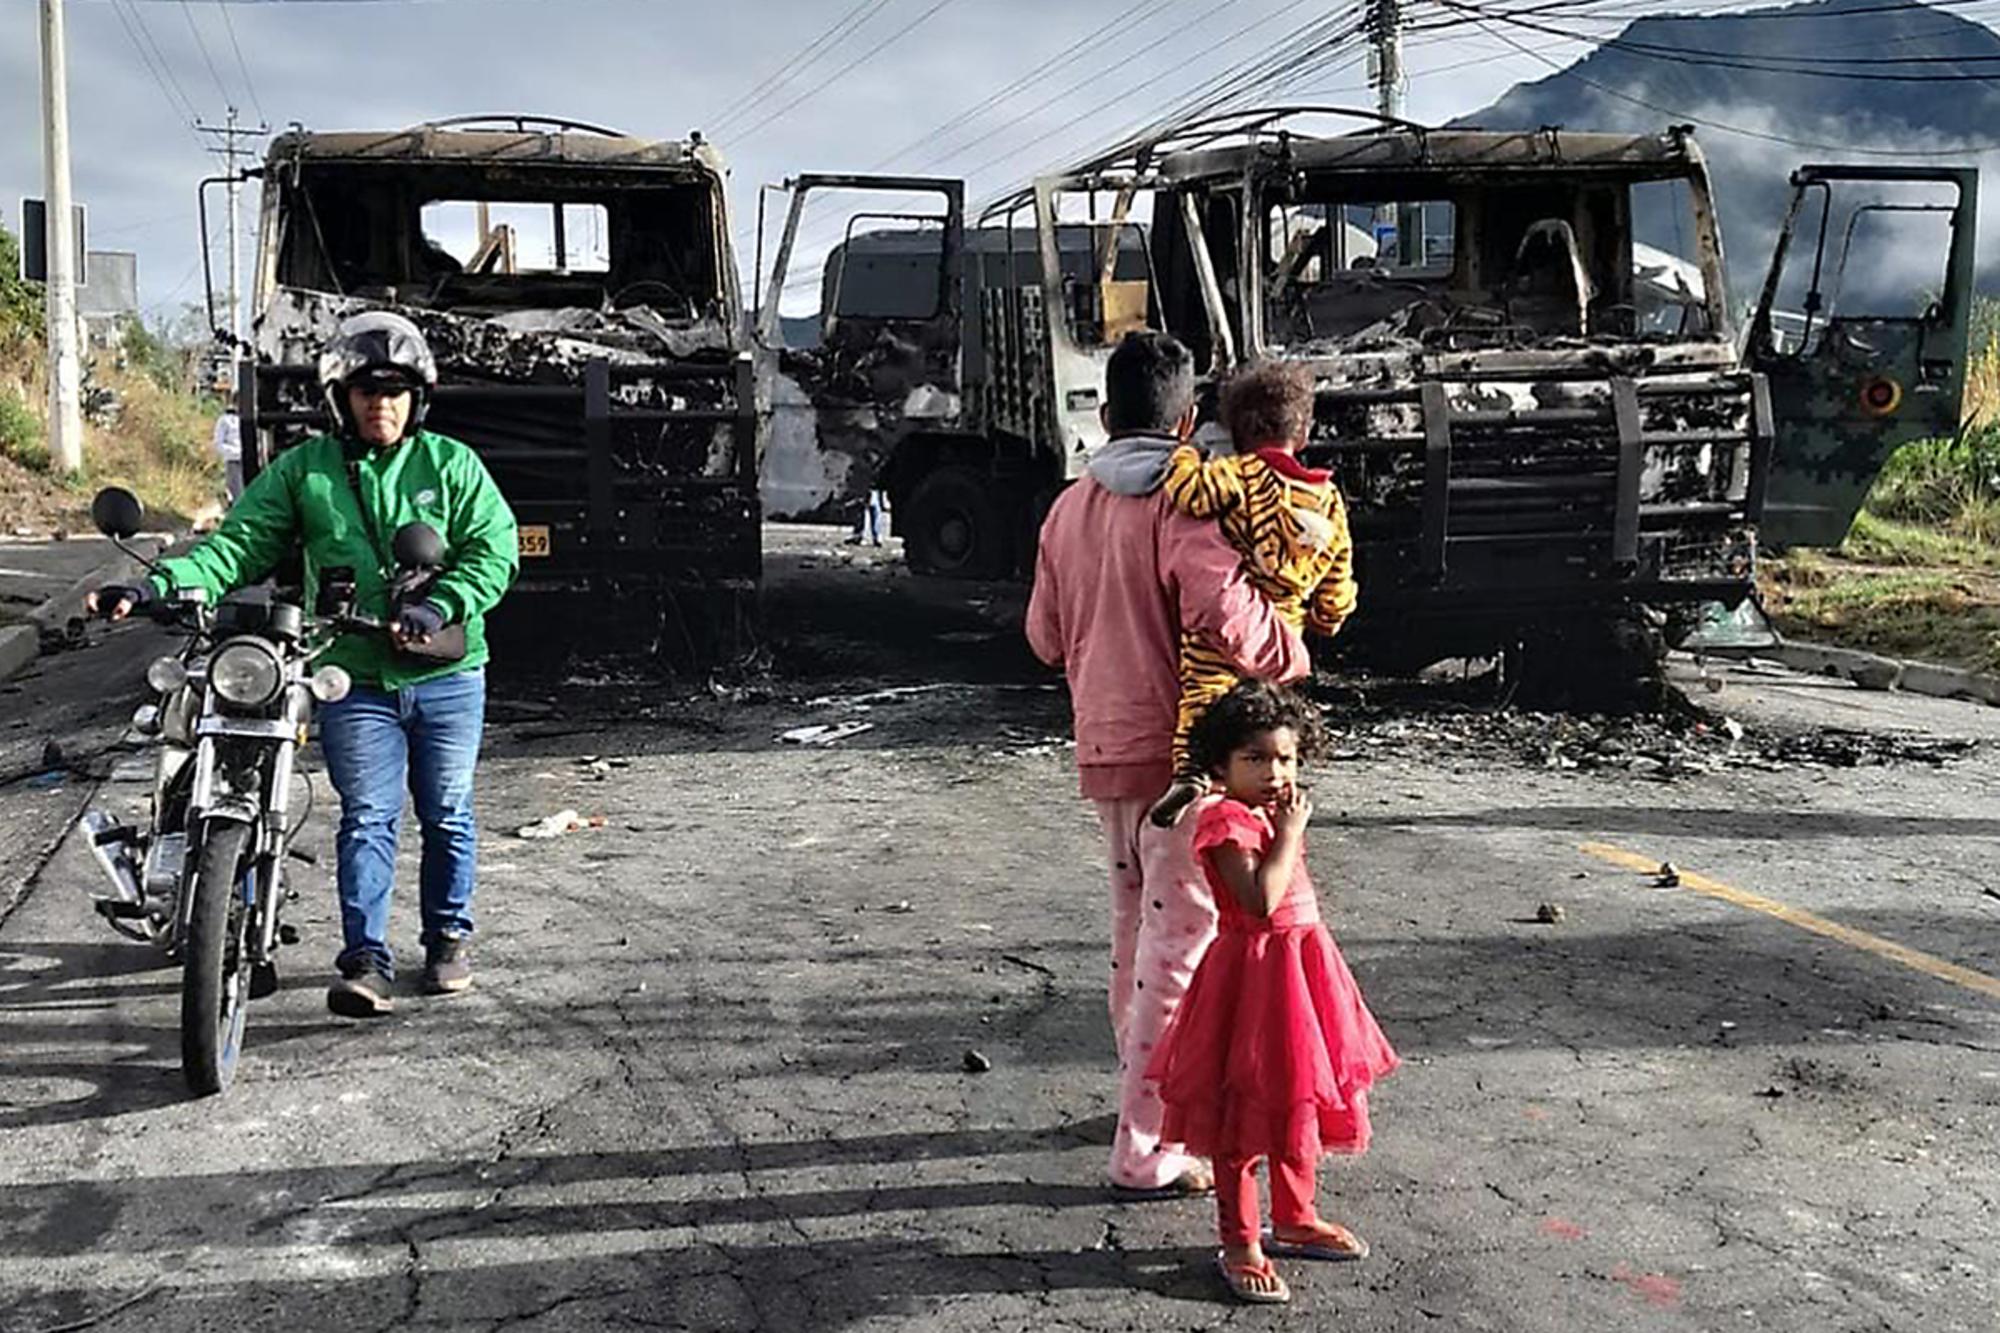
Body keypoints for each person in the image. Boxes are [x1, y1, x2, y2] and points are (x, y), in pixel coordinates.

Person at [89, 312, 519, 1018]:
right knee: (369, 815)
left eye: (396, 390)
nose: (381, 403)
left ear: (418, 397)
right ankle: (365, 959)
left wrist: (440, 603)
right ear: (339, 398)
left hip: (446, 675)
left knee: (446, 811)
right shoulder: (305, 472)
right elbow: (235, 547)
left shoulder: (451, 465)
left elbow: (495, 550)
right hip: (350, 674)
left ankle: (448, 936)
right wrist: (154, 585)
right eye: (365, 391)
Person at [1025, 330, 1310, 1197]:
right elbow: (1225, 614)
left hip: (1104, 753)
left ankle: (1138, 1104)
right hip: (1179, 761)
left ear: (1106, 417)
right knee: (1180, 950)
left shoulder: (1067, 510)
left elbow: (1041, 638)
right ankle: (1149, 1143)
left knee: (1134, 941)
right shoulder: (1183, 507)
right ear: (1188, 424)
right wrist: (1290, 647)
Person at [1147, 680, 1398, 1305]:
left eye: (1284, 758)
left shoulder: (1265, 811)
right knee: (1241, 1115)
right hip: (1252, 977)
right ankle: (1239, 1242)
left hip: (1302, 974)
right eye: (1254, 759)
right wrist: (1288, 834)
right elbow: (1259, 901)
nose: (1273, 771)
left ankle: (1294, 1216)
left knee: (1296, 1102)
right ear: (1222, 765)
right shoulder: (1224, 819)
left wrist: (1283, 826)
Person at [1148, 360, 1357, 829]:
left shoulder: (1238, 476)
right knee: (1266, 717)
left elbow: (1189, 493)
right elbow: (1338, 590)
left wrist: (1183, 454)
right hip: (1282, 636)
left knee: (1201, 698)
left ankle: (1191, 772)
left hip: (1224, 632)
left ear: (1238, 432)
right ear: (1302, 435)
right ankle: (1276, 794)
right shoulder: (1329, 502)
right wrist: (1323, 619)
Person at [211, 383, 244, 504]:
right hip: (234, 461)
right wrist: (237, 452)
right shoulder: (225, 420)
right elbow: (218, 443)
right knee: (238, 495)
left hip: (253, 460)